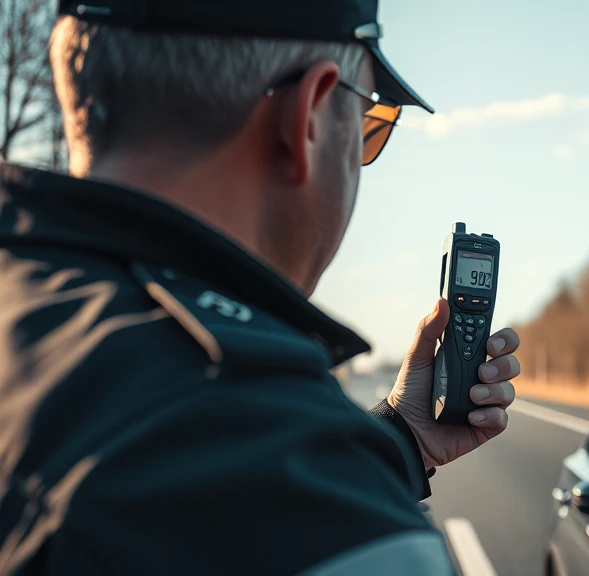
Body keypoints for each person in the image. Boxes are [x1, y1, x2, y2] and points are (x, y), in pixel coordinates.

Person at [0, 0, 520, 574]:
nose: (362, 156)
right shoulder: (354, 533)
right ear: (309, 118)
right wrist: (338, 472)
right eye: (369, 127)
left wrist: (402, 438)